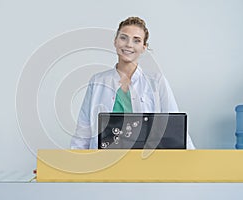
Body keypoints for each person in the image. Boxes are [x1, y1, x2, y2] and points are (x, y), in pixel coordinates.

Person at [71, 16, 195, 149]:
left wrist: (191, 161)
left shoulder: (157, 82)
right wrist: (77, 162)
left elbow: (175, 127)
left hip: (144, 163)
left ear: (143, 47)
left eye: (137, 40)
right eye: (123, 37)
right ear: (115, 41)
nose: (129, 44)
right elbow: (83, 132)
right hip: (103, 162)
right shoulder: (97, 82)